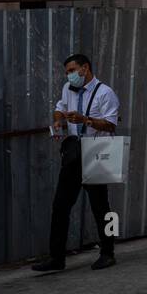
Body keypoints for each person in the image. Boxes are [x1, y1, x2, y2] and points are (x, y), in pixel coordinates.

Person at [32, 54, 122, 273]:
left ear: (85, 68)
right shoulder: (67, 88)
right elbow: (60, 107)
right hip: (74, 151)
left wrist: (85, 120)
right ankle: (56, 258)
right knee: (60, 206)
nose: (69, 75)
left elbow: (111, 124)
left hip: (97, 150)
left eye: (72, 70)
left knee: (101, 206)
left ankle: (108, 252)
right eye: (67, 72)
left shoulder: (105, 93)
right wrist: (58, 121)